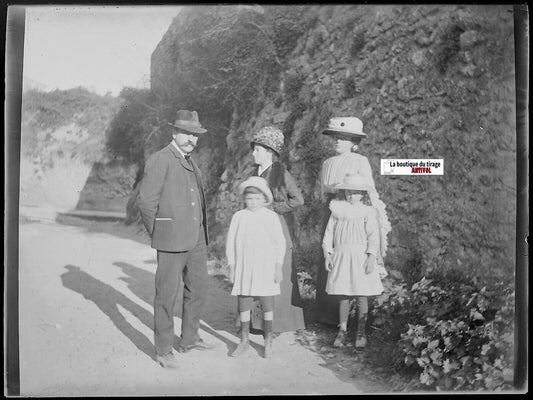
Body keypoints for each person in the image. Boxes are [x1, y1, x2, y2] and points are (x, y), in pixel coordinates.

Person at [137, 109, 213, 369]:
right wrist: (159, 232)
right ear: (174, 133)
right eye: (187, 133)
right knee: (166, 295)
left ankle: (190, 339)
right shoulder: (161, 159)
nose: (192, 139)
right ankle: (164, 349)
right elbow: (146, 202)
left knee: (198, 288)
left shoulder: (191, 162)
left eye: (196, 135)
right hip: (171, 239)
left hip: (196, 239)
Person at [315, 117, 391, 326]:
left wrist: (374, 215)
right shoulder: (327, 163)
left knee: (355, 260)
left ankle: (358, 318)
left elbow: (368, 189)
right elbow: (324, 192)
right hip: (333, 209)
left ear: (354, 142)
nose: (337, 142)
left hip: (355, 210)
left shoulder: (360, 161)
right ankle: (328, 314)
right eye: (335, 138)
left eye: (343, 138)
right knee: (331, 256)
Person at [247, 126, 306, 334]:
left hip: (275, 228)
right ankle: (258, 323)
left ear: (269, 152)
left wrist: (275, 208)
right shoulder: (255, 173)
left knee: (276, 272)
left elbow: (298, 199)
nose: (254, 153)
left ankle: (280, 323)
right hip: (256, 228)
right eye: (254, 150)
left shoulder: (280, 172)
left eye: (258, 150)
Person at [322, 173, 387, 349]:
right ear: (345, 192)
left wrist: (371, 256)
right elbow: (328, 234)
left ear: (363, 194)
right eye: (349, 192)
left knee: (361, 294)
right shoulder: (337, 210)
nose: (352, 196)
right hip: (342, 256)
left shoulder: (367, 211)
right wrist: (328, 254)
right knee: (343, 295)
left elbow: (374, 236)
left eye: (356, 193)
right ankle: (342, 330)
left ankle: (360, 331)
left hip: (360, 256)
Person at [226, 176, 286, 358]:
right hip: (245, 266)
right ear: (244, 199)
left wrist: (278, 267)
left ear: (264, 199)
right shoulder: (239, 216)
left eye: (257, 198)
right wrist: (232, 267)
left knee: (267, 304)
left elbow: (279, 243)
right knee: (243, 303)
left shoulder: (271, 217)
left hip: (265, 266)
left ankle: (268, 341)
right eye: (250, 198)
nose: (253, 202)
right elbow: (230, 243)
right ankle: (244, 340)